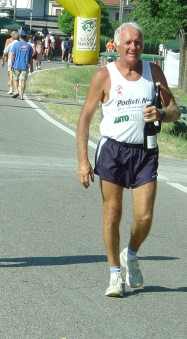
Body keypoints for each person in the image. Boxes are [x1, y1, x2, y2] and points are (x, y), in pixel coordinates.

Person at [76, 22, 181, 297]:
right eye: (128, 42)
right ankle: (113, 275)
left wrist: (161, 115)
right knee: (113, 213)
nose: (133, 47)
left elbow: (174, 110)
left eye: (137, 42)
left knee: (144, 216)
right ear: (117, 45)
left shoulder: (153, 71)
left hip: (145, 152)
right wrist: (83, 161)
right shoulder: (104, 75)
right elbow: (84, 118)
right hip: (113, 151)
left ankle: (131, 254)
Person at [10, 30, 34, 100]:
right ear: (26, 37)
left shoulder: (16, 45)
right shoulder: (29, 46)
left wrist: (11, 64)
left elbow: (13, 55)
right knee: (23, 80)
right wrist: (31, 66)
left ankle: (16, 90)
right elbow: (31, 58)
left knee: (15, 78)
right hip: (25, 66)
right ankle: (22, 96)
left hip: (16, 65)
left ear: (20, 36)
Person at [2, 31, 19, 95]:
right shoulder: (20, 44)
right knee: (17, 75)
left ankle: (11, 89)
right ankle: (17, 89)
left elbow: (4, 52)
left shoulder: (10, 44)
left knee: (11, 75)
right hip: (18, 61)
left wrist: (3, 61)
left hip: (10, 61)